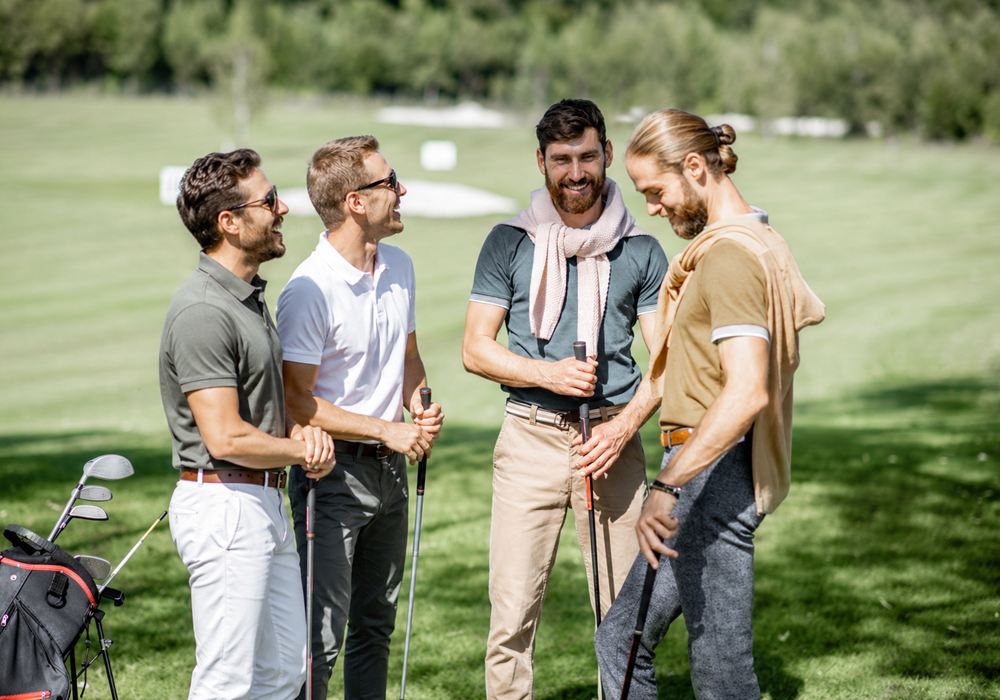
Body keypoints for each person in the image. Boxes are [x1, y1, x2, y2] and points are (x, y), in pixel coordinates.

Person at [593, 109, 826, 698]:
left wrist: (668, 486)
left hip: (710, 474)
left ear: (695, 167)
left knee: (720, 669)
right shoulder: (751, 240)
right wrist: (623, 429)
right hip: (709, 471)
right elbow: (681, 366)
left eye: (656, 190)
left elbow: (747, 389)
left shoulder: (729, 256)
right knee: (623, 639)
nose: (652, 206)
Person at [462, 98, 668, 699]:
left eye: (586, 157)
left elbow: (665, 362)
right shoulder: (508, 243)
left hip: (612, 445)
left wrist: (624, 427)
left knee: (624, 618)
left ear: (607, 154)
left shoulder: (643, 251)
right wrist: (549, 376)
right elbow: (476, 348)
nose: (575, 173)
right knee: (511, 618)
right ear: (541, 162)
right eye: (560, 160)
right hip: (529, 440)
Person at [160, 148, 335, 700]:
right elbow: (225, 436)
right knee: (227, 680)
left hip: (259, 503)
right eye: (268, 200)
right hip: (225, 509)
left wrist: (293, 444)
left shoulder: (245, 299)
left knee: (284, 672)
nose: (282, 208)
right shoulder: (204, 311)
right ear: (228, 222)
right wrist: (301, 448)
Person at [277, 135, 444, 700]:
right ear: (355, 200)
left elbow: (408, 357)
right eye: (389, 182)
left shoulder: (399, 265)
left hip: (391, 475)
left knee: (375, 628)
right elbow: (297, 400)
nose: (401, 191)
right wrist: (386, 429)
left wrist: (420, 407)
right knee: (319, 638)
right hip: (332, 478)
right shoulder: (309, 289)